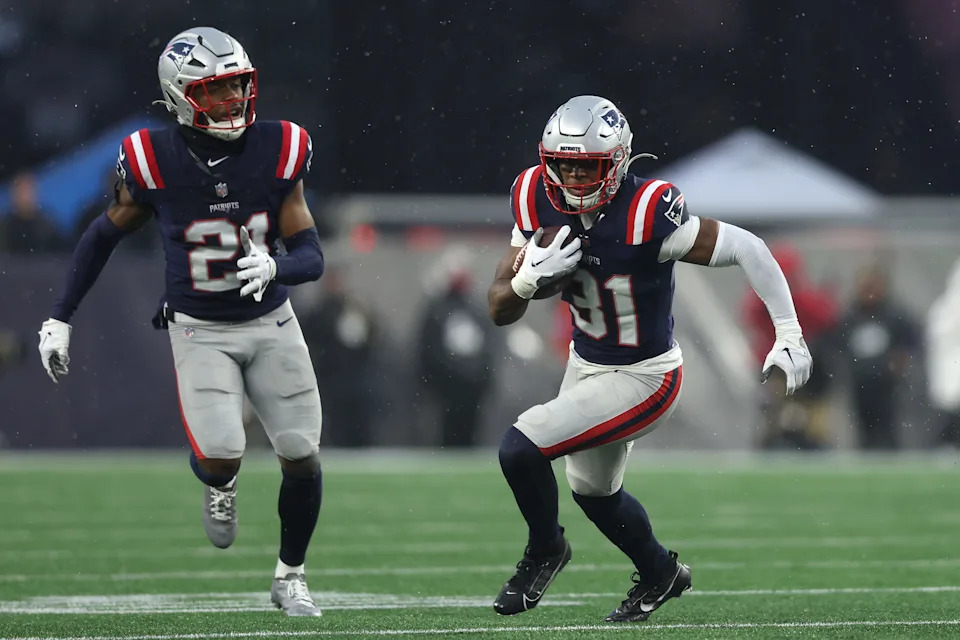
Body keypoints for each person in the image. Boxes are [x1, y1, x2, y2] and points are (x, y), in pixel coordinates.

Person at [487, 95, 812, 623]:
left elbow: (748, 247)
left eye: (584, 165)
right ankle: (661, 573)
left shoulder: (647, 212)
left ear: (615, 162)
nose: (570, 177)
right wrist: (526, 280)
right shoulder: (533, 195)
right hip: (586, 363)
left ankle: (545, 550)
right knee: (593, 491)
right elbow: (500, 308)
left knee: (520, 449)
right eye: (561, 164)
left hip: (645, 376)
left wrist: (790, 330)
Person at [36, 27, 325, 617]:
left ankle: (290, 575)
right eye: (216, 92)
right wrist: (59, 316)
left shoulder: (280, 147)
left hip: (271, 320)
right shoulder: (150, 159)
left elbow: (313, 257)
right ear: (181, 97)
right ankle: (219, 485)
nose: (233, 102)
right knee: (222, 452)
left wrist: (278, 265)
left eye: (238, 87)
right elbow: (102, 234)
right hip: (199, 325)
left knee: (301, 451)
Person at [418, 256, 495, 448]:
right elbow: (429, 348)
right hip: (448, 386)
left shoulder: (475, 310)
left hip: (470, 384)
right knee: (448, 430)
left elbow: (487, 346)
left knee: (470, 429)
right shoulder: (439, 309)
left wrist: (481, 376)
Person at [839, 263, 918, 450]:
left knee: (888, 428)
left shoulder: (894, 314)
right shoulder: (851, 315)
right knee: (863, 428)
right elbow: (839, 343)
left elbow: (911, 339)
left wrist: (901, 360)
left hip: (888, 384)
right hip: (860, 383)